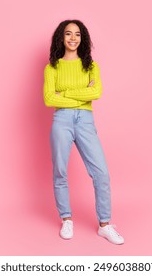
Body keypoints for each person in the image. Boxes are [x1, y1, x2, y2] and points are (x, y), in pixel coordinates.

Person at [43, 19, 124, 245]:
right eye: (68, 34)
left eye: (77, 34)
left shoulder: (91, 66)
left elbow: (96, 92)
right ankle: (66, 218)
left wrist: (64, 93)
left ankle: (105, 225)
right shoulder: (52, 67)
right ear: (61, 37)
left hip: (85, 120)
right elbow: (49, 98)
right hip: (62, 120)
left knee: (101, 173)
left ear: (82, 38)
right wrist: (80, 92)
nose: (72, 38)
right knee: (60, 170)